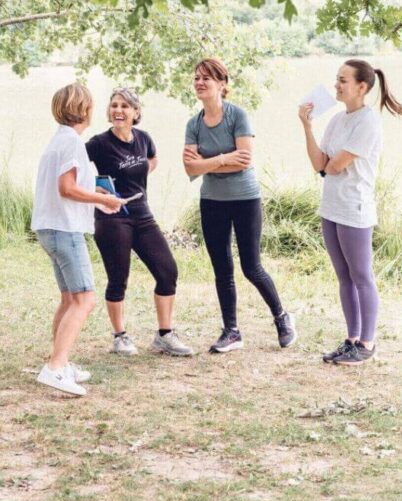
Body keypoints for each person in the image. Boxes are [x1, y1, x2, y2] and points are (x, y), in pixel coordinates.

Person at [183, 58, 297, 353]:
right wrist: (224, 158)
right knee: (222, 269)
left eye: (206, 78)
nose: (199, 82)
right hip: (212, 202)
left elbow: (244, 160)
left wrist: (207, 162)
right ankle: (231, 332)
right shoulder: (193, 124)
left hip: (245, 199)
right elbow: (190, 168)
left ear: (222, 84)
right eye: (196, 78)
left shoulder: (238, 116)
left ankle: (282, 318)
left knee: (251, 267)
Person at [298, 59, 402, 365]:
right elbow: (320, 165)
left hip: (355, 209)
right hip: (331, 207)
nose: (337, 85)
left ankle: (367, 343)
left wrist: (329, 164)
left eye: (343, 80)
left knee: (362, 276)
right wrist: (307, 127)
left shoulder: (368, 122)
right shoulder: (336, 120)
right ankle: (352, 340)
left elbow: (334, 166)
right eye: (337, 79)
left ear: (362, 87)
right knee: (344, 277)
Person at [31, 83, 124, 396]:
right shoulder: (72, 143)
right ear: (84, 109)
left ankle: (59, 361)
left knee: (70, 299)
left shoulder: (59, 141)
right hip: (65, 229)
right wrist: (104, 200)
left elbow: (67, 186)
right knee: (85, 299)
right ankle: (55, 368)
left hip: (50, 227)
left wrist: (96, 194)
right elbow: (66, 189)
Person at [86, 87, 193, 357]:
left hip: (143, 215)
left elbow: (152, 159)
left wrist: (141, 174)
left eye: (125, 106)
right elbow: (72, 170)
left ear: (136, 112)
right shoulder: (99, 143)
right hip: (112, 218)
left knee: (167, 271)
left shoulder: (143, 138)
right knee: (118, 278)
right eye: (114, 105)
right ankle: (120, 337)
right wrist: (95, 190)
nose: (118, 110)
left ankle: (164, 335)